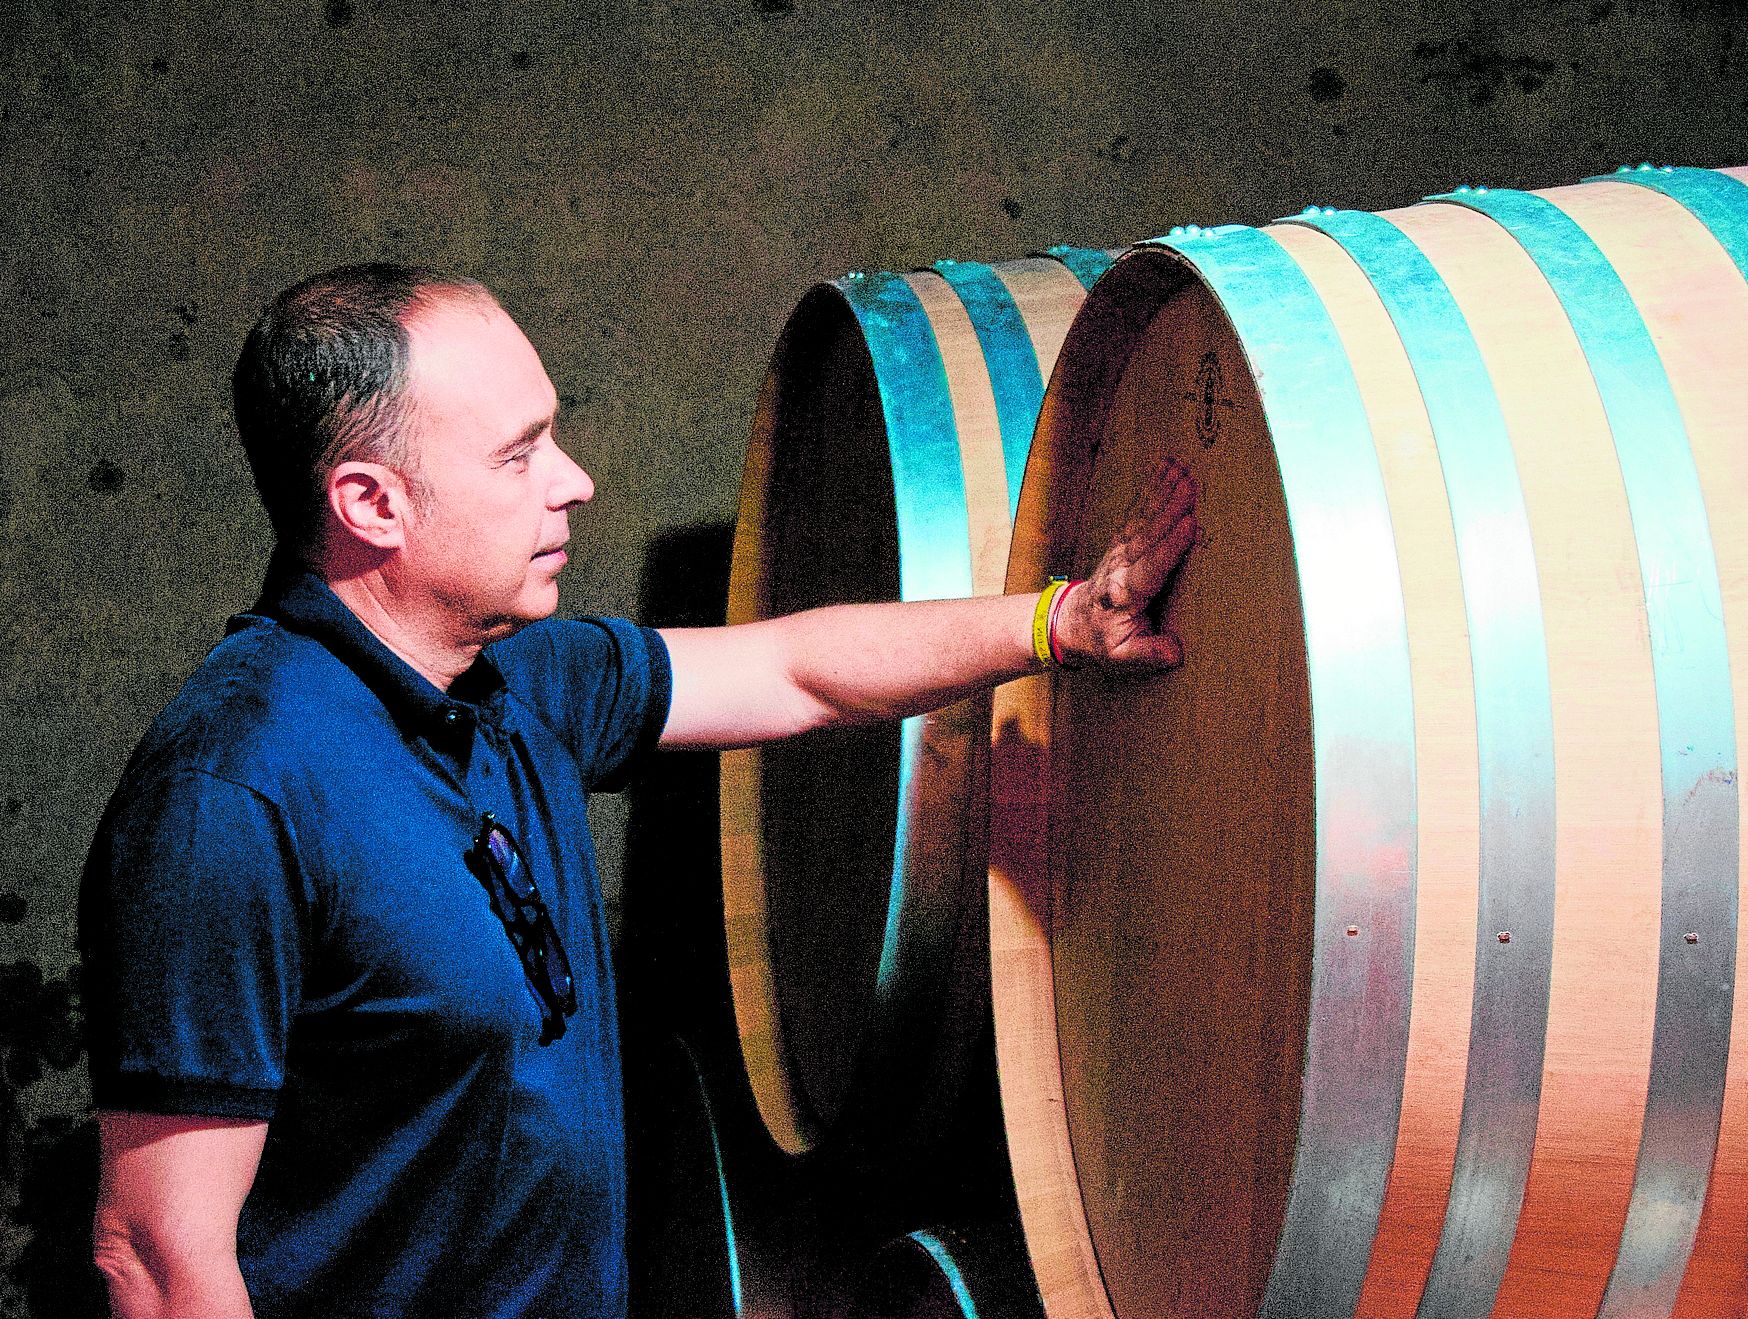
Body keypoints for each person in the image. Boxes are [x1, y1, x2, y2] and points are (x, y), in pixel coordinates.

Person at [79, 264, 1197, 1318]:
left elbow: (791, 669)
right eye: (518, 456)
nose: (574, 481)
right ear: (373, 503)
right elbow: (157, 1254)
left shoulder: (515, 680)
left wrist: (1057, 620)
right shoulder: (231, 795)